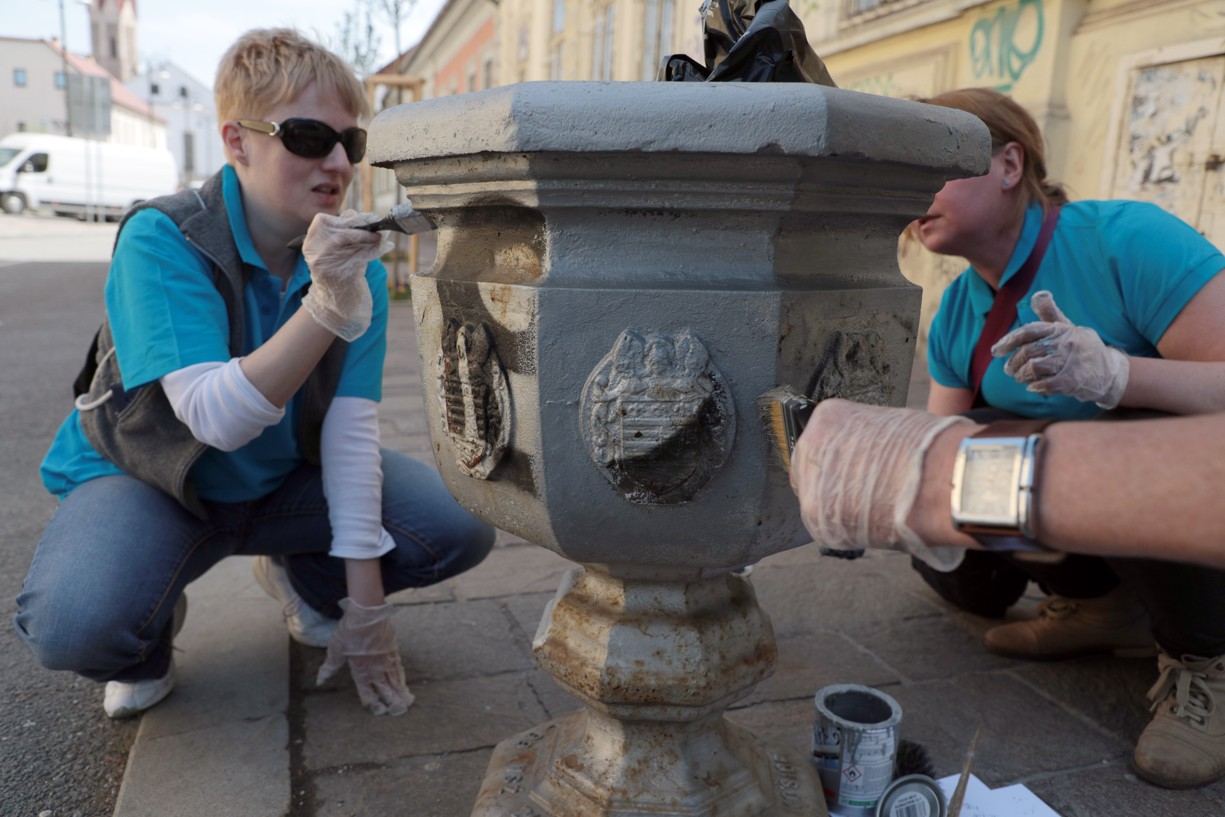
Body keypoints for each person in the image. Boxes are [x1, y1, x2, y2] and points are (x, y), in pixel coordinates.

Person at [13, 28, 495, 720]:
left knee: (455, 526)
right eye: (307, 136)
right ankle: (146, 638)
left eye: (349, 143)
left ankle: (306, 580)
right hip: (152, 482)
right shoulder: (166, 238)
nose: (336, 162)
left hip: (279, 486)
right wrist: (325, 307)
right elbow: (216, 417)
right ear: (237, 142)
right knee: (76, 622)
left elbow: (351, 441)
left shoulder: (343, 260)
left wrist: (364, 609)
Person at [799, 86, 1225, 790]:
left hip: (1193, 520)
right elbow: (936, 449)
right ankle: (1098, 602)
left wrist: (1115, 376)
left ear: (1006, 162)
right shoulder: (958, 313)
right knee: (948, 553)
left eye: (930, 169)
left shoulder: (1126, 240)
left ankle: (1203, 659)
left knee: (1132, 423)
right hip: (1093, 528)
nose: (913, 199)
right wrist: (864, 474)